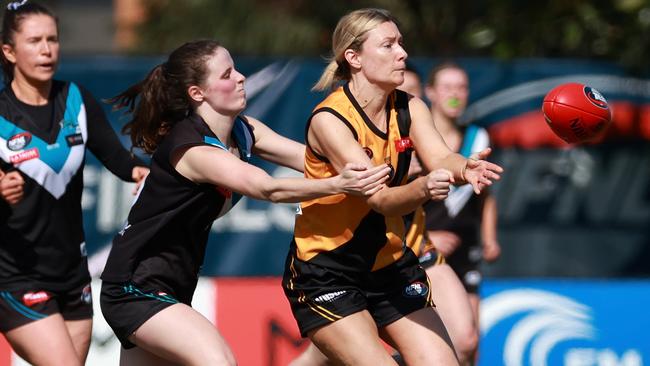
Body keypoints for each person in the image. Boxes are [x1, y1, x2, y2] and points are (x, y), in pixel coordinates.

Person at [98, 39, 391, 366]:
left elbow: (312, 160)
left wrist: (385, 160)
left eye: (236, 69)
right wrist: (340, 184)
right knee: (219, 361)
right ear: (198, 93)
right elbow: (268, 189)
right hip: (135, 287)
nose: (240, 77)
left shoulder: (244, 129)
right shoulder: (193, 149)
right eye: (226, 74)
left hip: (170, 287)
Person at [282, 8, 502, 366]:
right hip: (328, 273)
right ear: (353, 57)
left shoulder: (410, 106)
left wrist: (466, 167)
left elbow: (440, 158)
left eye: (401, 43)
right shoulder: (331, 120)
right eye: (388, 45)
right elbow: (381, 200)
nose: (403, 53)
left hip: (388, 264)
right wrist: (425, 189)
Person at [0, 1, 148, 366]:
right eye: (34, 40)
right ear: (8, 51)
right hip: (15, 275)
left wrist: (140, 173)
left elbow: (117, 158)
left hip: (72, 272)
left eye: (53, 39)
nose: (47, 49)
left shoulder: (76, 100)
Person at [421, 62, 502, 364]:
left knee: (468, 345)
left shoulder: (479, 139)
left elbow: (487, 196)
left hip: (466, 250)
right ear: (430, 93)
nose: (455, 94)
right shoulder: (417, 141)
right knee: (439, 342)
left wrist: (490, 238)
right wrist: (427, 238)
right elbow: (398, 199)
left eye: (462, 88)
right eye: (447, 88)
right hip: (422, 252)